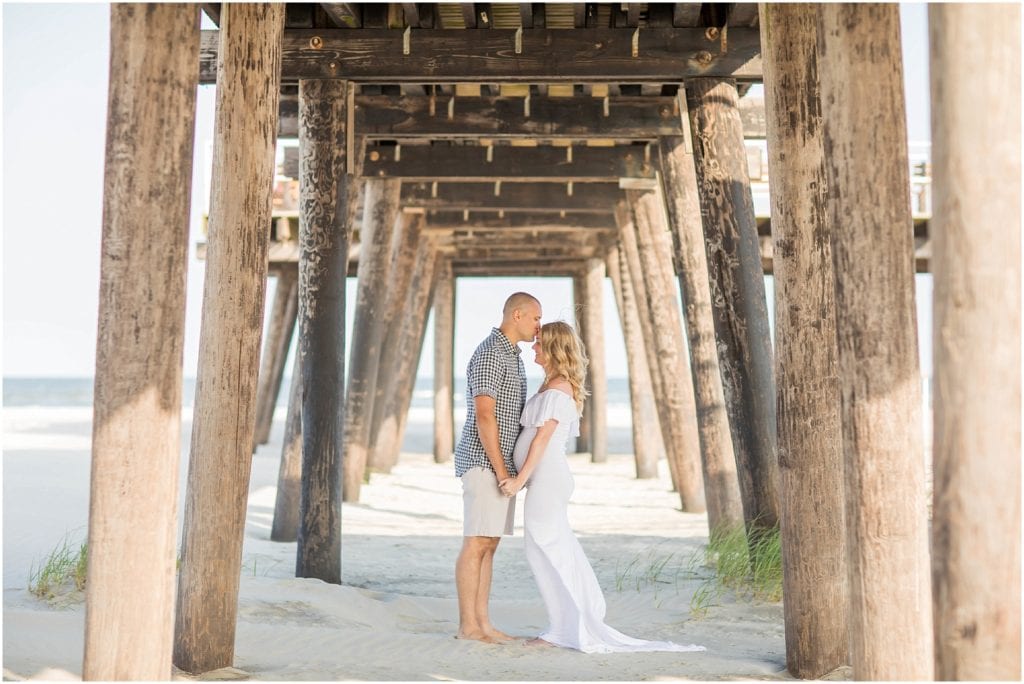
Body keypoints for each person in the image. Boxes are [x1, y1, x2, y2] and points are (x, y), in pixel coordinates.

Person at [500, 321, 705, 654]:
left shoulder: (560, 388)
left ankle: (570, 627)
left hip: (548, 480)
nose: (533, 347)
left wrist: (519, 480)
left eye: (539, 343)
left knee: (549, 550)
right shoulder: (549, 384)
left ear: (553, 348)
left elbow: (541, 441)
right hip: (544, 480)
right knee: (544, 551)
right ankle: (565, 624)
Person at [453, 292, 543, 643]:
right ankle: (468, 628)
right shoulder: (491, 353)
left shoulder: (513, 356)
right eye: (535, 318)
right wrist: (503, 471)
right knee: (476, 543)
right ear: (517, 314)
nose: (539, 326)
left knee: (489, 544)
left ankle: (483, 625)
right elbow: (484, 415)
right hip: (484, 463)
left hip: (499, 467)